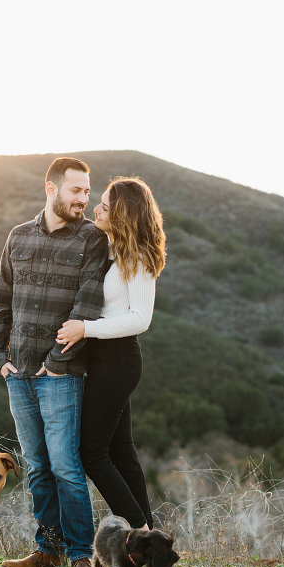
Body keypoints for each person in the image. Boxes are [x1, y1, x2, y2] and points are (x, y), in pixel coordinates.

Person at [0, 157, 109, 567]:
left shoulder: (94, 240)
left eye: (87, 192)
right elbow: (0, 302)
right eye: (76, 191)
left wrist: (56, 365)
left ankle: (82, 558)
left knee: (65, 467)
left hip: (62, 376)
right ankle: (48, 550)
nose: (84, 199)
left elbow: (88, 305)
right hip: (17, 373)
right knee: (36, 466)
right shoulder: (18, 237)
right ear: (51, 189)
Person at [56, 177, 166, 530]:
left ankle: (140, 532)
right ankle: (151, 543)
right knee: (122, 453)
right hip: (104, 359)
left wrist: (85, 328)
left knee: (93, 455)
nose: (97, 208)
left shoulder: (138, 256)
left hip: (117, 360)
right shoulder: (111, 249)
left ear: (123, 212)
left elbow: (140, 319)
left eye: (105, 203)